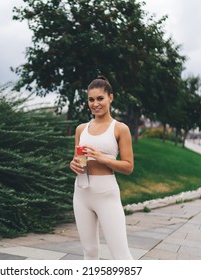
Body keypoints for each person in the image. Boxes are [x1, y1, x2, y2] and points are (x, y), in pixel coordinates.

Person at [69, 75, 134, 260]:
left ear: (110, 98)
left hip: (106, 194)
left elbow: (128, 167)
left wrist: (102, 158)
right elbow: (77, 160)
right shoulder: (81, 129)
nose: (95, 104)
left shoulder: (120, 128)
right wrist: (73, 164)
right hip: (81, 193)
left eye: (100, 98)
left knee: (120, 255)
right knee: (89, 251)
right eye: (91, 99)